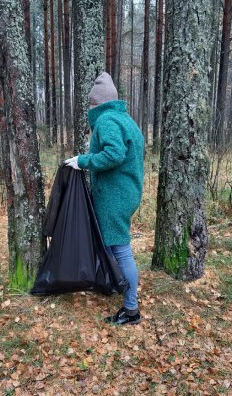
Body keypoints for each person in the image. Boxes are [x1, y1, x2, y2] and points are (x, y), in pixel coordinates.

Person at [65, 72, 145, 326]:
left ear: (97, 103)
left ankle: (131, 310)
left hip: (115, 196)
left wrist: (83, 161)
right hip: (125, 192)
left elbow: (114, 154)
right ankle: (114, 283)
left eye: (90, 103)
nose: (89, 107)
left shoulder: (107, 121)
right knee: (111, 245)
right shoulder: (125, 119)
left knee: (120, 249)